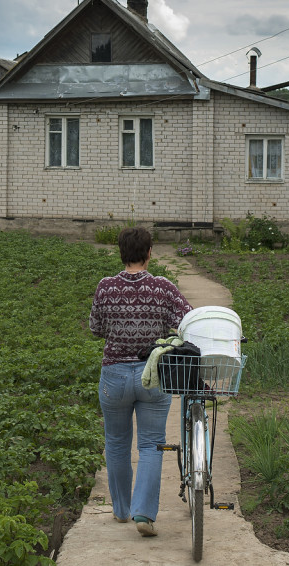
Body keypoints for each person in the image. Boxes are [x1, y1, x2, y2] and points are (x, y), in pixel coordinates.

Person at [88, 226, 191, 538]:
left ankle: (121, 510)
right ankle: (143, 513)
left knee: (117, 443)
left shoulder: (105, 287)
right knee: (150, 444)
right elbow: (186, 321)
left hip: (114, 375)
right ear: (149, 253)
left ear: (121, 253)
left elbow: (95, 327)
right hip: (153, 375)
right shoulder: (163, 287)